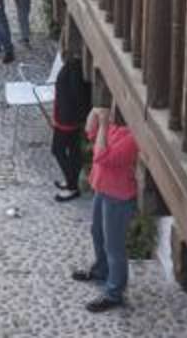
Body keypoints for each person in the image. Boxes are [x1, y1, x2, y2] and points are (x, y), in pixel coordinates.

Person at [74, 105, 140, 313]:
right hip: (103, 189)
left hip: (119, 197)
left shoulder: (131, 139)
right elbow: (89, 131)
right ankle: (101, 270)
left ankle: (114, 293)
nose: (111, 113)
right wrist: (93, 112)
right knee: (97, 233)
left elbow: (101, 156)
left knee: (114, 247)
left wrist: (103, 124)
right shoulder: (114, 129)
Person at [51, 40, 91, 202]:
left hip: (67, 119)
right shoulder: (72, 65)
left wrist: (75, 117)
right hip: (67, 116)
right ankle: (71, 180)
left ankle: (72, 185)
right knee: (73, 150)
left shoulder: (74, 69)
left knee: (58, 150)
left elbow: (77, 96)